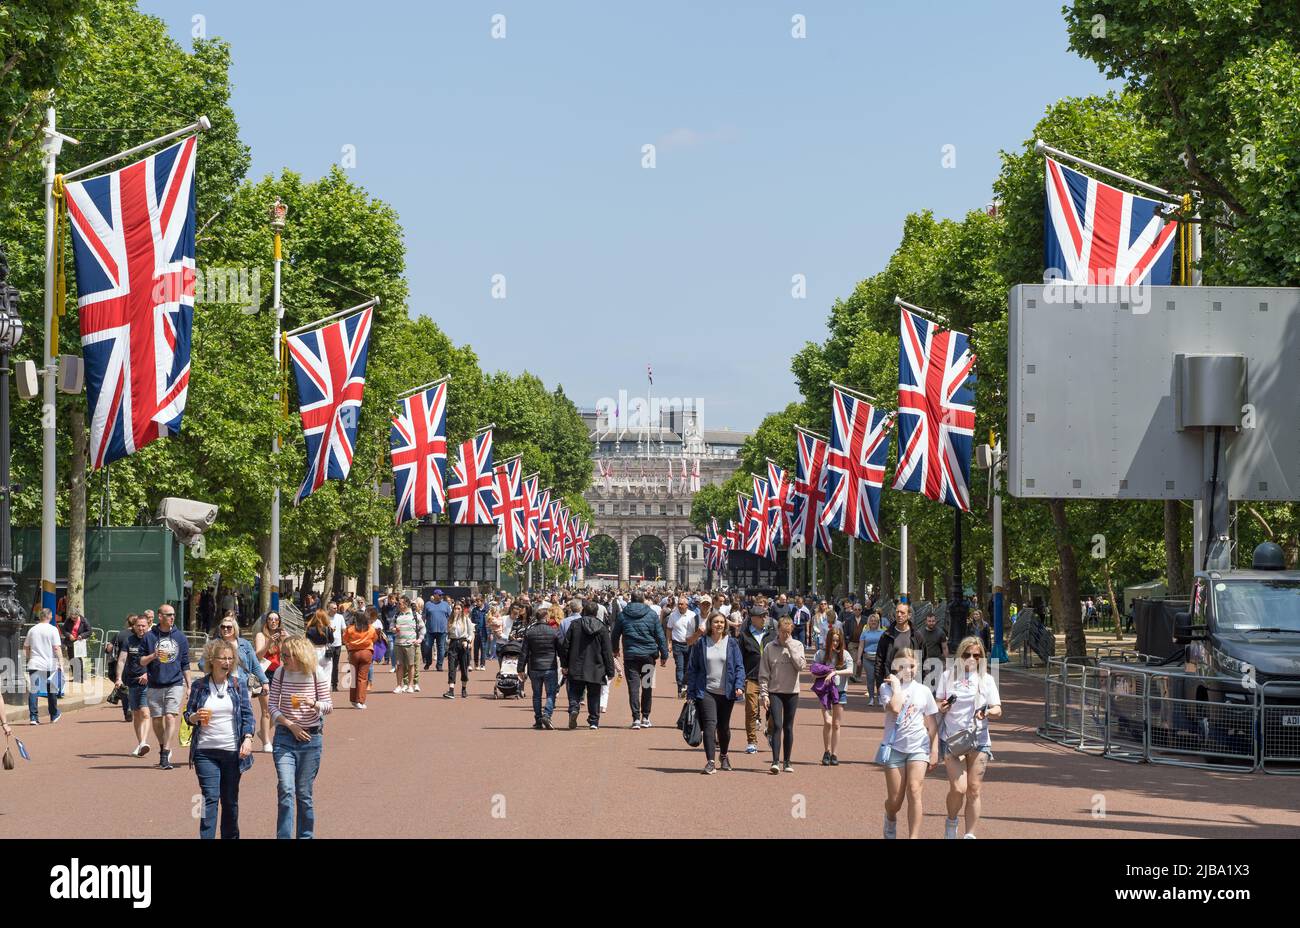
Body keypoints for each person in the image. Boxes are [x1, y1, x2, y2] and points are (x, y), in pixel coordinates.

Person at [184, 638, 256, 839]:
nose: (226, 662)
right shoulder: (199, 686)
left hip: (233, 752)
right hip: (205, 752)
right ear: (212, 660)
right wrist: (194, 717)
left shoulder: (238, 684)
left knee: (230, 800)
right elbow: (187, 715)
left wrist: (248, 738)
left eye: (230, 658)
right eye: (222, 658)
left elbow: (248, 715)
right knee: (209, 798)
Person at [936, 636, 1002, 839]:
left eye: (976, 655)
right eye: (967, 655)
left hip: (978, 739)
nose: (972, 659)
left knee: (973, 789)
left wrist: (988, 712)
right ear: (960, 656)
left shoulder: (987, 679)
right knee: (958, 788)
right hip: (952, 738)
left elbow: (998, 709)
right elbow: (937, 704)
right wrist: (943, 706)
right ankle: (951, 820)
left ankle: (970, 835)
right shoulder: (948, 676)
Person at [268, 636, 332, 839]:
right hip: (285, 736)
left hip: (311, 739)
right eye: (282, 654)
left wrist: (312, 703)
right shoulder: (280, 672)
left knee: (304, 794)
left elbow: (328, 706)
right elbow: (272, 705)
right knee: (286, 789)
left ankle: (305, 836)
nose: (282, 658)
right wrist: (289, 724)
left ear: (299, 655)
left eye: (286, 655)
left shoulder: (316, 673)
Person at [877, 648, 939, 839]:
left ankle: (913, 837)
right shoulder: (886, 688)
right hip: (895, 747)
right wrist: (896, 687)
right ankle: (890, 816)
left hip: (918, 747)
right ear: (896, 667)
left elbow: (931, 723)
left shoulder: (924, 691)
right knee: (895, 801)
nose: (908, 670)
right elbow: (895, 708)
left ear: (917, 666)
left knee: (914, 790)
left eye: (912, 666)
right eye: (902, 666)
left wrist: (934, 749)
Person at [687, 611, 745, 774]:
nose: (719, 625)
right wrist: (691, 693)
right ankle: (710, 762)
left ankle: (724, 756)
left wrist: (739, 684)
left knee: (724, 727)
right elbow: (693, 668)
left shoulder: (732, 643)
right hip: (706, 690)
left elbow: (739, 666)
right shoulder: (701, 643)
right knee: (710, 725)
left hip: (727, 692)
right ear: (710, 625)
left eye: (721, 622)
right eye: (715, 622)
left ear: (725, 625)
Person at [138, 603, 189, 770]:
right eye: (168, 614)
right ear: (160, 617)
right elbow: (141, 660)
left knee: (170, 717)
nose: (172, 617)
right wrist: (153, 655)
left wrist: (189, 685)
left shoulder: (180, 637)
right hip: (154, 683)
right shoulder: (149, 636)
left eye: (173, 614)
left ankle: (165, 754)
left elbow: (185, 663)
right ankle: (162, 745)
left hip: (175, 683)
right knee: (157, 720)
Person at [611, 591, 669, 729]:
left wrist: (615, 650)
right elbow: (660, 636)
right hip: (648, 656)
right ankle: (646, 717)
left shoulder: (623, 615)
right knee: (647, 686)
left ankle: (636, 718)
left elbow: (614, 635)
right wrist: (664, 654)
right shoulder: (652, 615)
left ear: (631, 599)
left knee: (633, 688)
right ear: (643, 599)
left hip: (631, 656)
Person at [758, 615, 806, 774]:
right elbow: (764, 673)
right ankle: (775, 761)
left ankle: (787, 761)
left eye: (788, 632)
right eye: (782, 631)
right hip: (775, 691)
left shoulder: (797, 645)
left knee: (788, 726)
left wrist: (790, 648)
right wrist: (764, 694)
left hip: (792, 691)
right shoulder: (769, 647)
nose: (785, 635)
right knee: (777, 725)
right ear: (778, 630)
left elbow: (801, 666)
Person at [559, 600, 615, 730]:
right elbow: (607, 651)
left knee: (575, 691)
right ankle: (594, 721)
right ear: (596, 613)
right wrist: (610, 670)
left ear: (584, 611)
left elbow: (565, 646)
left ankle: (574, 708)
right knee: (594, 694)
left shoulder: (574, 625)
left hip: (576, 664)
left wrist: (564, 664)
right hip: (596, 666)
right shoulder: (602, 628)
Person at [813, 625, 854, 766]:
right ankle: (826, 750)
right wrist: (826, 671)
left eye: (837, 641)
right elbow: (813, 670)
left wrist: (835, 672)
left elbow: (850, 670)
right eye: (833, 640)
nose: (835, 643)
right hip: (825, 691)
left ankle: (834, 754)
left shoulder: (845, 654)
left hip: (840, 691)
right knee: (827, 722)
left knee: (836, 724)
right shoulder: (820, 653)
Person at [519, 605, 562, 728]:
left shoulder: (530, 632)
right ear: (546, 617)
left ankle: (538, 719)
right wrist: (565, 664)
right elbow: (561, 650)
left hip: (535, 667)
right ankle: (547, 715)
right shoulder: (554, 632)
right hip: (550, 667)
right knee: (550, 693)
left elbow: (524, 652)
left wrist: (520, 669)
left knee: (536, 694)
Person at [115, 614, 153, 754]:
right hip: (131, 681)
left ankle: (144, 742)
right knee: (136, 714)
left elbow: (157, 661)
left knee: (145, 712)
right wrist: (118, 678)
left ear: (148, 626)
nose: (141, 628)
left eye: (143, 625)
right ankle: (140, 743)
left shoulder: (152, 640)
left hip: (147, 681)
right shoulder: (128, 640)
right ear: (134, 626)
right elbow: (122, 660)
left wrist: (147, 674)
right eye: (138, 625)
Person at [738, 600, 771, 754]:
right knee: (751, 710)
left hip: (771, 679)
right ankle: (751, 741)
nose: (765, 618)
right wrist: (740, 678)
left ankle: (769, 731)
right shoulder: (744, 636)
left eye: (765, 616)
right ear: (753, 618)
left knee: (773, 710)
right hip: (751, 677)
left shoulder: (772, 634)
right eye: (761, 616)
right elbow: (739, 658)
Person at [874, 602, 925, 696]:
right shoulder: (886, 635)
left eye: (902, 612)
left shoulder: (917, 635)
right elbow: (879, 661)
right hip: (892, 681)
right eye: (897, 612)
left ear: (909, 615)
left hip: (912, 682)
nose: (899, 615)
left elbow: (924, 659)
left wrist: (924, 683)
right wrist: (880, 684)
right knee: (894, 709)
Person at [24, 608, 64, 726]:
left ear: (41, 616)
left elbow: (26, 647)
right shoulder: (53, 630)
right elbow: (56, 647)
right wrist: (61, 662)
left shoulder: (32, 629)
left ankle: (33, 717)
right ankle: (53, 714)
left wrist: (28, 659)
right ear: (50, 616)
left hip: (35, 663)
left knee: (34, 690)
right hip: (49, 664)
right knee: (51, 690)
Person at [342, 609, 381, 708]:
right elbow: (375, 639)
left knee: (354, 677)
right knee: (362, 678)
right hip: (366, 652)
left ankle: (353, 699)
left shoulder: (350, 629)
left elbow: (345, 639)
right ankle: (360, 700)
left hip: (353, 653)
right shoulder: (370, 628)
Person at [667, 595, 702, 697]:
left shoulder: (692, 615)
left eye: (682, 604)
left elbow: (696, 630)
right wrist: (668, 643)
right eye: (679, 604)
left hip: (690, 645)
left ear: (687, 605)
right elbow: (669, 629)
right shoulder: (673, 615)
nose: (680, 606)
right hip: (677, 644)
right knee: (679, 667)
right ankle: (680, 689)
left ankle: (686, 687)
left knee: (688, 667)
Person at [106, 615, 136, 722]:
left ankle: (126, 710)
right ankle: (131, 708)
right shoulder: (138, 635)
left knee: (123, 688)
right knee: (133, 688)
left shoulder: (120, 634)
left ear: (127, 622)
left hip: (121, 665)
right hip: (135, 665)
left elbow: (109, 648)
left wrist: (106, 647)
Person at [444, 601, 474, 699]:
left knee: (464, 667)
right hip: (453, 644)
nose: (456, 610)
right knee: (451, 667)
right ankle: (451, 690)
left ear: (461, 610)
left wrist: (467, 641)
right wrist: (447, 641)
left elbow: (471, 633)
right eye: (455, 608)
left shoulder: (466, 619)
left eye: (458, 609)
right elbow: (447, 633)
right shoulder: (450, 620)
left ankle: (464, 688)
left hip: (463, 643)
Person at [392, 595, 421, 693]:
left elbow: (423, 628)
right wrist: (394, 629)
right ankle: (399, 685)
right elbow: (391, 627)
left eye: (399, 603)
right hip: (398, 644)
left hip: (410, 644)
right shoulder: (396, 615)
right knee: (399, 665)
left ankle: (410, 685)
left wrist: (420, 639)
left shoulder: (414, 615)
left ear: (405, 604)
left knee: (411, 665)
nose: (398, 605)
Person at [855, 612, 885, 703]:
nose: (873, 622)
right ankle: (871, 698)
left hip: (879, 659)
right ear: (868, 622)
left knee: (879, 678)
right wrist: (859, 658)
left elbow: (885, 646)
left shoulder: (882, 632)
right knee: (870, 678)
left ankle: (880, 697)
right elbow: (861, 646)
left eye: (875, 621)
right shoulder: (864, 633)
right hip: (867, 658)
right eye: (871, 621)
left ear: (878, 622)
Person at [919, 609, 949, 687]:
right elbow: (918, 648)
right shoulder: (920, 633)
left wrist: (947, 662)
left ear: (936, 621)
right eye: (929, 621)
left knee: (937, 683)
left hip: (937, 661)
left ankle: (936, 698)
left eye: (933, 621)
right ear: (926, 622)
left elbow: (945, 648)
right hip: (925, 661)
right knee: (926, 682)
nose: (931, 623)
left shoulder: (940, 633)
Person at [423, 589, 451, 671]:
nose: (441, 596)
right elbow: (424, 616)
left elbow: (449, 617)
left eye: (441, 595)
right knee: (427, 647)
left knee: (441, 648)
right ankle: (428, 662)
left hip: (442, 630)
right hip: (430, 630)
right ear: (435, 595)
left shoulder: (445, 605)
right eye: (439, 595)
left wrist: (449, 628)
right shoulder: (428, 604)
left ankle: (439, 665)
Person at [305, 609, 333, 677]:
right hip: (325, 652)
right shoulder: (328, 628)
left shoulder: (309, 629)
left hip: (313, 651)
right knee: (327, 675)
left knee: (314, 675)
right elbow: (331, 640)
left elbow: (307, 641)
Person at [327, 606, 347, 691]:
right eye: (334, 608)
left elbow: (344, 629)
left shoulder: (340, 617)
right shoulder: (325, 617)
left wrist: (345, 640)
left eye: (336, 608)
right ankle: (326, 684)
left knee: (335, 666)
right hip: (328, 645)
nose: (336, 609)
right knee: (327, 665)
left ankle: (334, 685)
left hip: (337, 644)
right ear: (329, 608)